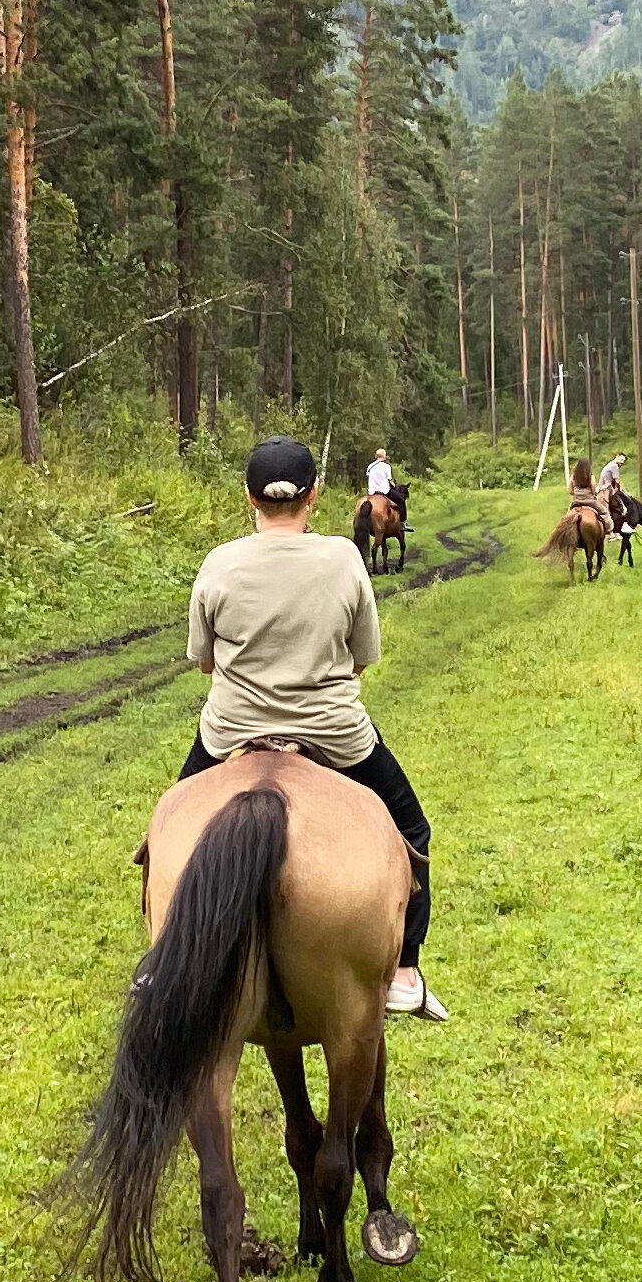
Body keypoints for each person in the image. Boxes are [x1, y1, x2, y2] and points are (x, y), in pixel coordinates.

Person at [179, 435, 444, 1018]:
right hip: (334, 733)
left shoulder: (219, 562)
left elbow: (203, 660)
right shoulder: (345, 560)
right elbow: (363, 656)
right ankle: (404, 969)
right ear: (315, 496)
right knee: (413, 828)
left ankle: (163, 961)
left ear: (249, 496)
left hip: (230, 731)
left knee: (168, 828)